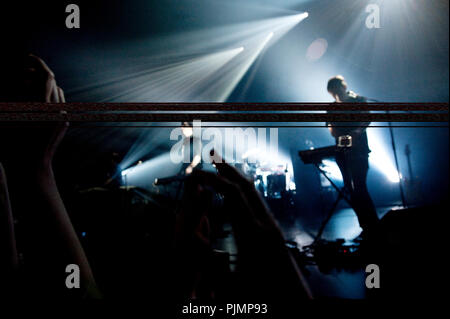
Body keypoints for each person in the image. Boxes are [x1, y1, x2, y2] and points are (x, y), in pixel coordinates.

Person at [326, 75, 379, 239]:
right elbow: (332, 130)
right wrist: (333, 127)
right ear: (330, 92)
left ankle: (374, 225)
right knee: (350, 189)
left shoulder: (358, 100)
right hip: (343, 151)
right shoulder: (331, 108)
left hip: (360, 149)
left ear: (343, 87)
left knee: (360, 187)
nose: (336, 92)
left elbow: (367, 118)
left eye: (337, 88)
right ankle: (365, 225)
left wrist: (356, 132)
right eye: (332, 90)